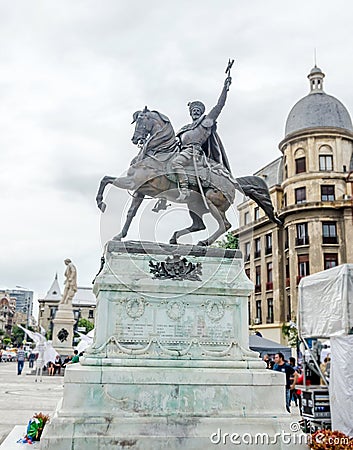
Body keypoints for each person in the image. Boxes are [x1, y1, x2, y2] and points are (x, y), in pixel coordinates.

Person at [171, 75, 232, 201]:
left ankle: (184, 190)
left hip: (193, 153)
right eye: (194, 110)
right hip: (181, 151)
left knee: (176, 163)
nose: (196, 112)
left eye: (198, 110)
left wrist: (225, 89)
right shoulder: (185, 128)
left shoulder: (205, 122)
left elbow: (219, 106)